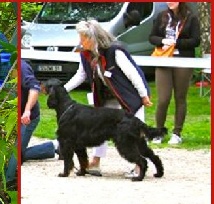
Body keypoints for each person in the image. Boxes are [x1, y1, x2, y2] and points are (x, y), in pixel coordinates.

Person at [65, 19, 152, 177]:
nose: (80, 41)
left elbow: (134, 74)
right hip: (106, 96)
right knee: (100, 126)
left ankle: (139, 166)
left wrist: (144, 95)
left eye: (82, 37)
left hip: (129, 96)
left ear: (92, 38)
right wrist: (63, 90)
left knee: (135, 130)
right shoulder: (85, 54)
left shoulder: (114, 51)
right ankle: (95, 163)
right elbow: (81, 75)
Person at [149, 2, 201, 145]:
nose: (169, 2)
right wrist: (162, 41)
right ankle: (158, 132)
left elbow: (196, 41)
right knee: (163, 99)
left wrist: (176, 43)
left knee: (180, 97)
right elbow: (152, 37)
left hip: (183, 61)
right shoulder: (162, 16)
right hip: (164, 59)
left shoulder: (191, 18)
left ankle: (177, 133)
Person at [21, 59, 59, 163]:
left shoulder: (22, 67)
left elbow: (34, 87)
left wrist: (27, 110)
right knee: (16, 154)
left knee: (16, 155)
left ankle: (57, 145)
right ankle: (56, 146)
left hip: (27, 118)